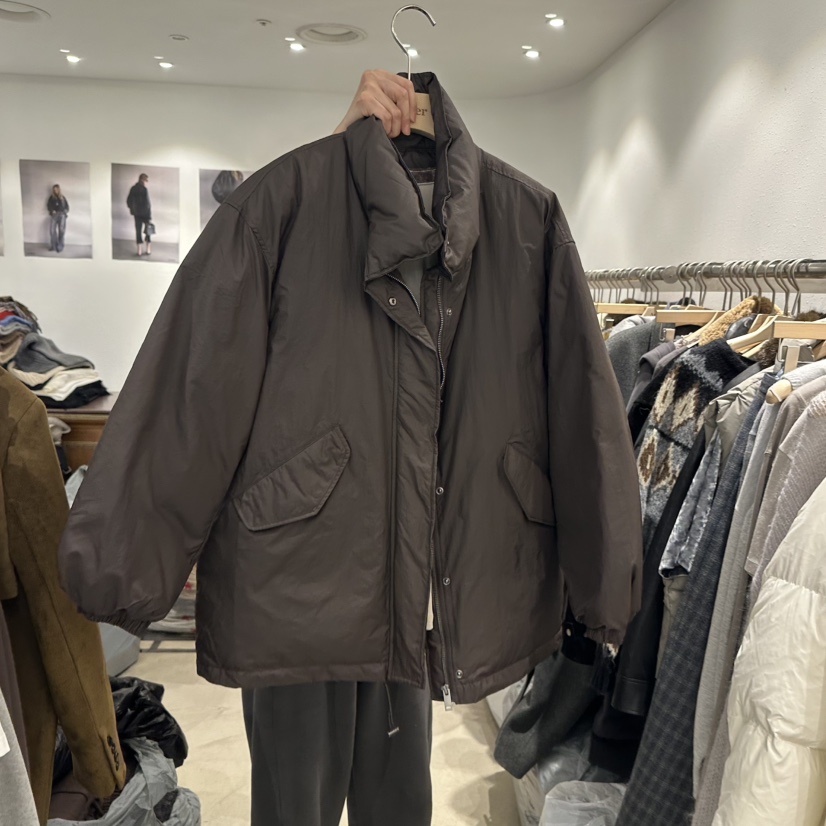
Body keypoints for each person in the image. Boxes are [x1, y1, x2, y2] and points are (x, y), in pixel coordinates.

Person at [127, 173, 152, 257]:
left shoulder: (133, 188)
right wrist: (149, 215)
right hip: (145, 213)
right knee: (148, 230)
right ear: (142, 180)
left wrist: (133, 210)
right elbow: (148, 204)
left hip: (137, 214)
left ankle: (139, 251)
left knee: (138, 231)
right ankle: (148, 249)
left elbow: (128, 201)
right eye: (145, 180)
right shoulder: (144, 189)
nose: (146, 182)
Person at [47, 184, 69, 253]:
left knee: (61, 231)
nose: (55, 191)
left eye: (56, 189)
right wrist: (52, 211)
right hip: (54, 215)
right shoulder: (51, 198)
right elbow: (48, 205)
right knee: (52, 230)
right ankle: (53, 246)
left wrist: (65, 211)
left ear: (59, 190)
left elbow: (67, 207)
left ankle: (60, 247)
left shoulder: (63, 198)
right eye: (54, 190)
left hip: (62, 215)